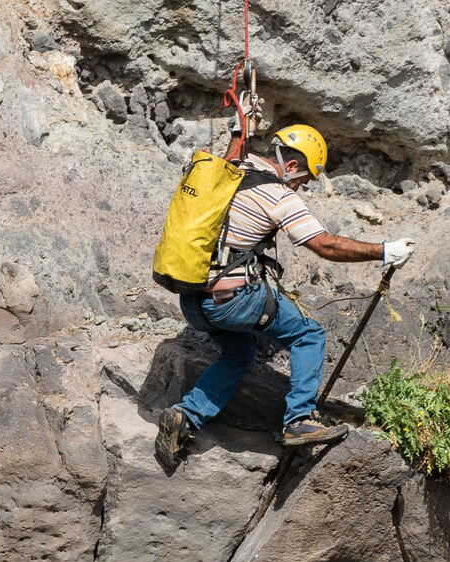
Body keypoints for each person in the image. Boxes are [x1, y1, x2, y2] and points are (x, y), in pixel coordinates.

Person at [154, 123, 416, 466]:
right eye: (303, 178)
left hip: (193, 301)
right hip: (234, 302)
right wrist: (384, 250)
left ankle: (185, 416)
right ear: (290, 165)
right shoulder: (279, 195)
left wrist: (238, 128)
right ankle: (299, 420)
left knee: (239, 354)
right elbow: (325, 245)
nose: (302, 186)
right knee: (309, 335)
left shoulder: (233, 170)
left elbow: (233, 152)